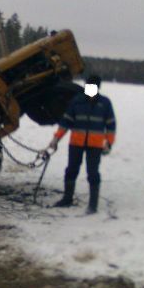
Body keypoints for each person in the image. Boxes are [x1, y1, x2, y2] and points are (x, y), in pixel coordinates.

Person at [48, 74, 116, 214]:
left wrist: (108, 143)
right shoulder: (77, 101)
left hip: (95, 145)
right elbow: (66, 122)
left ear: (98, 88)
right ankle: (67, 199)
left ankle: (93, 205)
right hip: (76, 143)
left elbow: (111, 126)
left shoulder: (105, 103)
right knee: (71, 170)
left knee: (93, 173)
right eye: (88, 86)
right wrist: (56, 139)